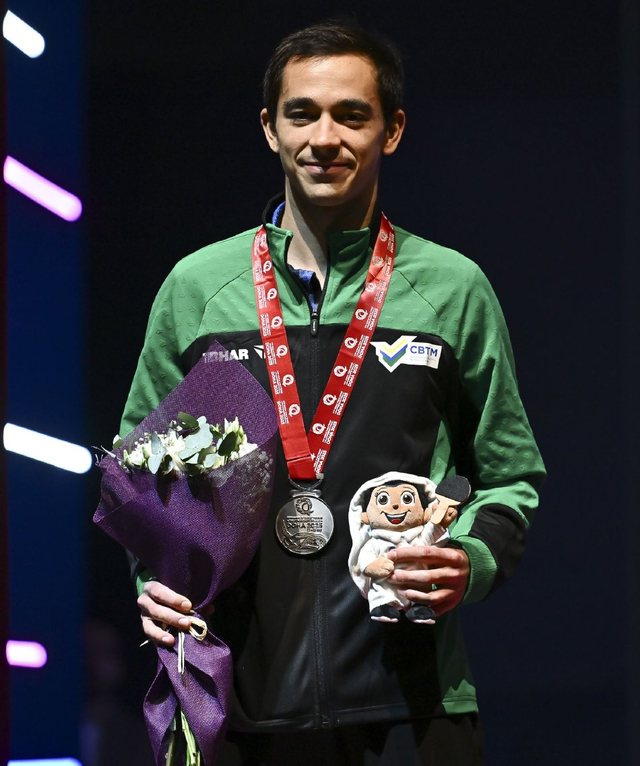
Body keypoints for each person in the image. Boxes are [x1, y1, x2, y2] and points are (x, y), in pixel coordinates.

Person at [123, 20, 545, 765]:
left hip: (411, 709)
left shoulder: (452, 289)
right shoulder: (198, 289)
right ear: (270, 129)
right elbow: (144, 477)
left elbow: (510, 475)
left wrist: (471, 558)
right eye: (303, 114)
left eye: (352, 115)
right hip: (236, 706)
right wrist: (153, 578)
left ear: (392, 130)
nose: (325, 138)